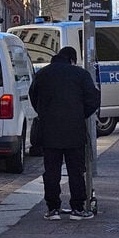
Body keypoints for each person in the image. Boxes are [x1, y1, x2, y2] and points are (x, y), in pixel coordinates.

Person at [29, 46, 100, 220]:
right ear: (72, 60)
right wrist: (80, 114)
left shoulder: (42, 74)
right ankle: (77, 208)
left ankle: (53, 208)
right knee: (76, 170)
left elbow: (33, 96)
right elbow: (93, 99)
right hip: (74, 129)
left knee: (51, 171)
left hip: (49, 130)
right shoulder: (80, 74)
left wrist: (44, 113)